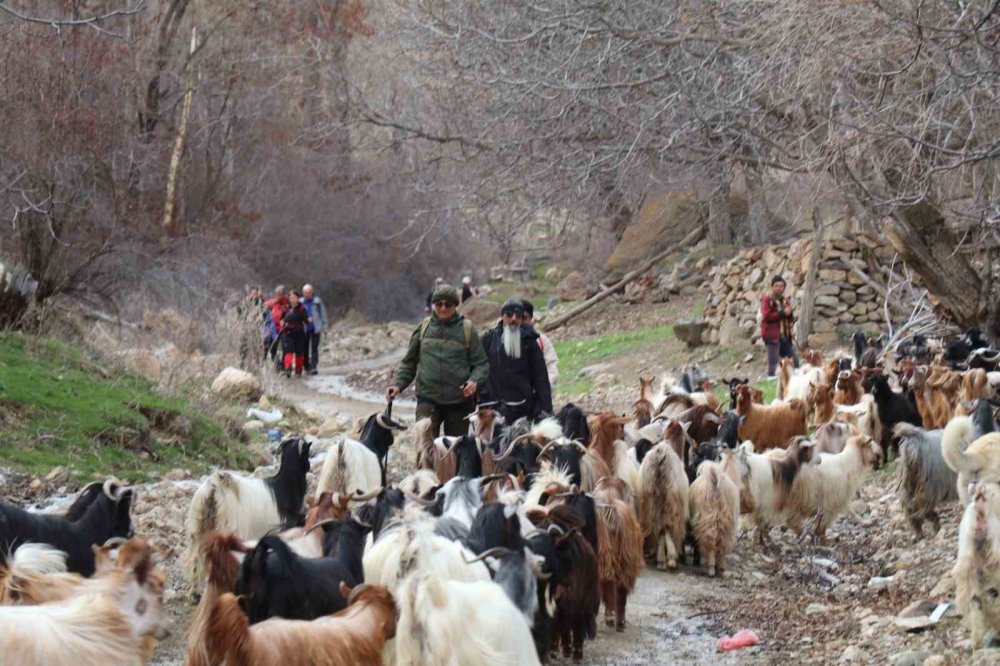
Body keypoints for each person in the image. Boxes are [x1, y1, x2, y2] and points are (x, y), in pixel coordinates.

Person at [388, 284, 490, 437]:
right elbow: (409, 362)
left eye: (448, 304)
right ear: (433, 305)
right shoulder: (423, 328)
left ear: (455, 305)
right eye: (438, 304)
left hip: (458, 402)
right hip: (427, 400)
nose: (443, 308)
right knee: (424, 448)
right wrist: (397, 385)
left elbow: (481, 364)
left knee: (454, 452)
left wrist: (474, 382)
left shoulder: (467, 330)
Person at [480, 298, 553, 423]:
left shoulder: (529, 342)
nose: (514, 318)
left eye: (518, 315)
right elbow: (478, 367)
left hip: (522, 407)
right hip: (492, 407)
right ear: (502, 316)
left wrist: (546, 408)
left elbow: (540, 377)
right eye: (509, 314)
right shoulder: (489, 339)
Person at [760, 275, 797, 377]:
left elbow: (789, 316)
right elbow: (766, 316)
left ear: (784, 287)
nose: (779, 288)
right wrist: (783, 313)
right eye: (776, 286)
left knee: (794, 360)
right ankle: (771, 379)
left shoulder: (785, 300)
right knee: (773, 363)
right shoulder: (767, 300)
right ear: (772, 287)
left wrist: (789, 317)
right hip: (772, 335)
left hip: (784, 335)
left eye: (781, 286)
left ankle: (792, 378)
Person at [522, 300, 559, 388]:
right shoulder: (500, 341)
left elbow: (551, 367)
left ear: (531, 319)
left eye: (524, 318)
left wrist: (543, 385)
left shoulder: (542, 340)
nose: (520, 322)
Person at [280, 290, 311, 377]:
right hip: (288, 333)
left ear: (298, 298)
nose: (292, 300)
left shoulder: (302, 308)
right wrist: (282, 322)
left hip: (300, 333)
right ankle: (288, 369)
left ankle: (298, 370)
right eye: (291, 298)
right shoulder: (286, 308)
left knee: (299, 352)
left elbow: (306, 319)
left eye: (294, 298)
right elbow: (282, 318)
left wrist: (309, 320)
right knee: (288, 351)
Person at [301, 284, 327, 375]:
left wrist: (324, 328)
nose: (307, 294)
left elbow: (323, 314)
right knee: (305, 348)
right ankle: (306, 366)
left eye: (309, 292)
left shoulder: (317, 301)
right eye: (305, 293)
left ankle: (313, 367)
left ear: (312, 292)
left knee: (314, 348)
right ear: (303, 293)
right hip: (304, 328)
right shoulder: (300, 302)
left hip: (316, 327)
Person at [263, 285, 288, 370]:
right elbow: (265, 305)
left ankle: (284, 366)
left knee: (286, 348)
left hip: (285, 329)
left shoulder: (288, 302)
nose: (279, 296)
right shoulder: (273, 302)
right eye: (277, 294)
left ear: (284, 294)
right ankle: (278, 366)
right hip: (274, 330)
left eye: (281, 294)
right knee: (272, 349)